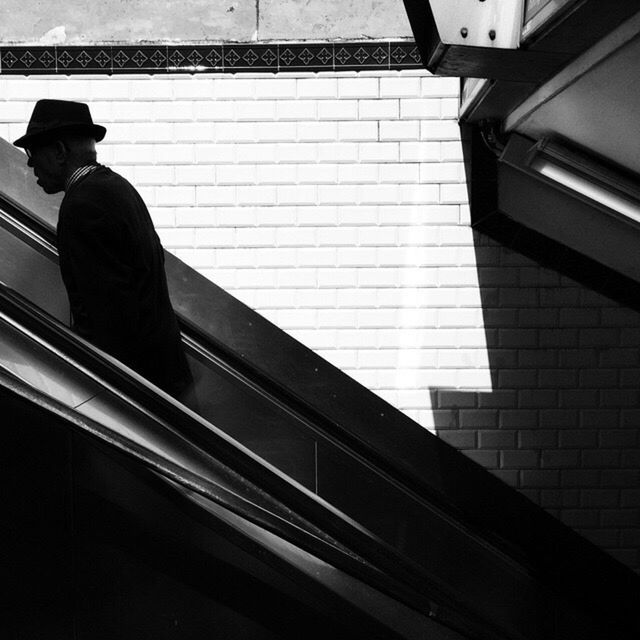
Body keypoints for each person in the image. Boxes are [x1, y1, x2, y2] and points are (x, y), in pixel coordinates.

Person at [14, 99, 193, 400]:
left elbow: (106, 320)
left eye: (33, 152)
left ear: (59, 151)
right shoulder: (118, 188)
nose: (30, 164)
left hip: (137, 393)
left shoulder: (82, 206)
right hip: (165, 378)